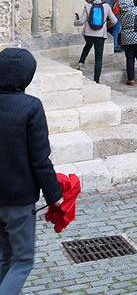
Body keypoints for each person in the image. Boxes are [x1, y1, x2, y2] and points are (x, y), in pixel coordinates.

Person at [0, 49, 63, 294]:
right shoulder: (31, 107)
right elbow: (39, 159)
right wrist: (54, 194)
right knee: (23, 260)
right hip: (18, 200)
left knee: (5, 257)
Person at [74, 0, 117, 83]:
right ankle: (96, 80)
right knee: (98, 58)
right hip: (100, 35)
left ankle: (81, 62)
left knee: (88, 45)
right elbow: (114, 21)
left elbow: (81, 22)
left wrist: (75, 21)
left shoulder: (88, 6)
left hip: (88, 34)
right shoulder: (106, 6)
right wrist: (106, 26)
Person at [118, 0, 137, 86]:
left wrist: (129, 0)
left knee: (129, 58)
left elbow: (125, 6)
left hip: (126, 38)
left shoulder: (120, 13)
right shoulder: (136, 9)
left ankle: (131, 79)